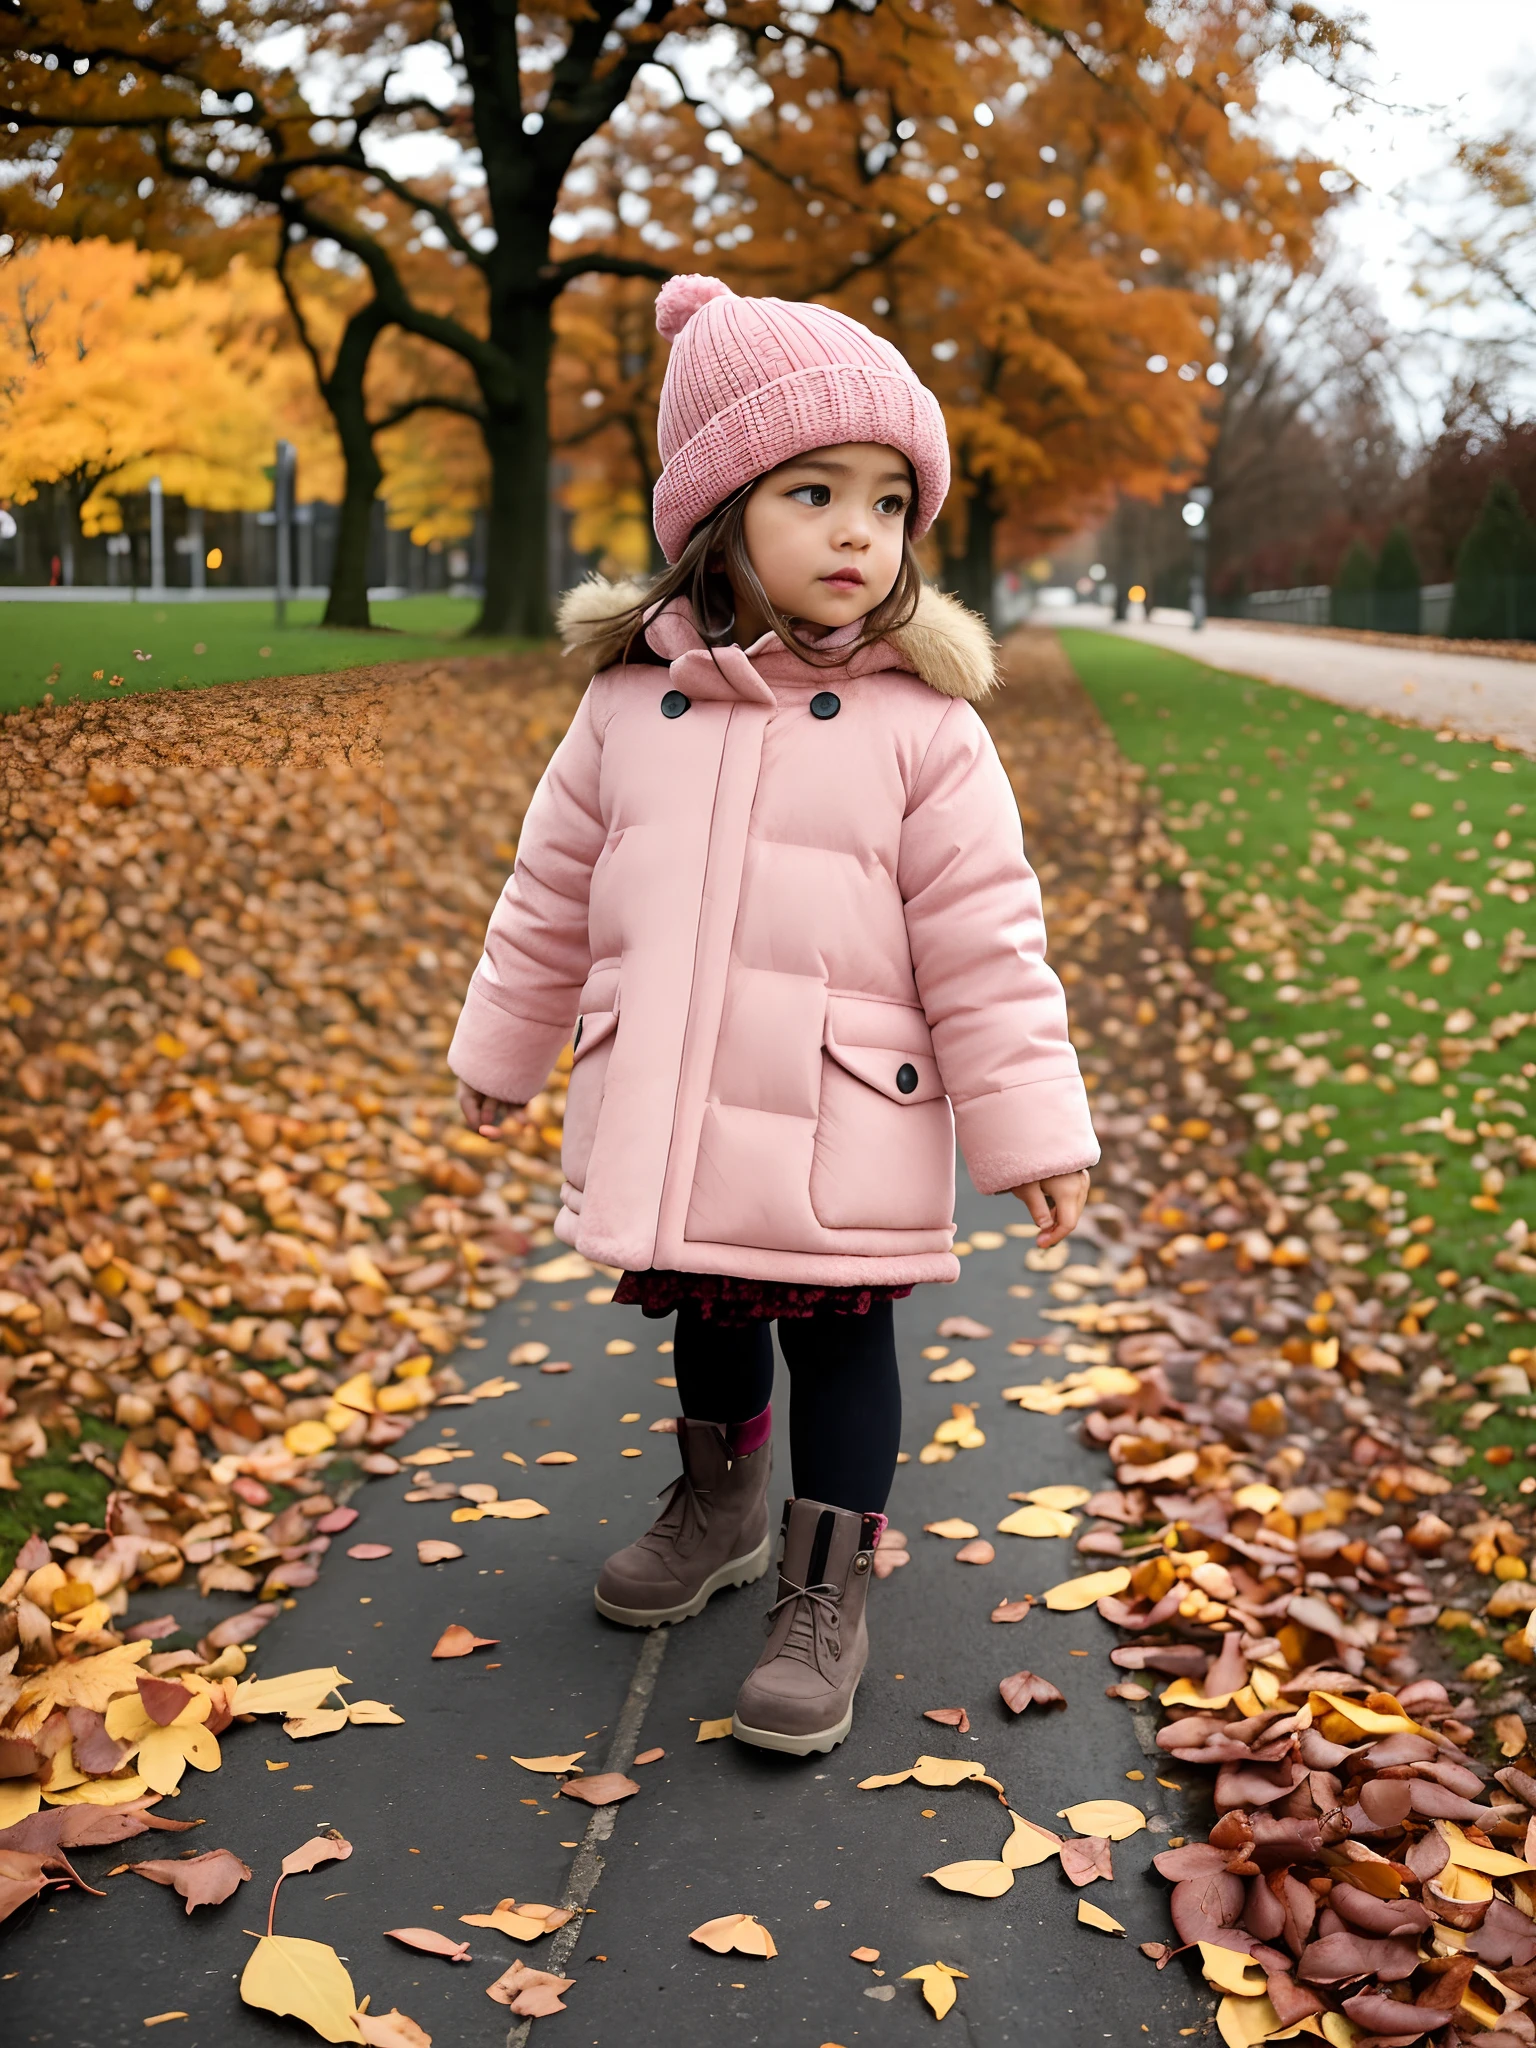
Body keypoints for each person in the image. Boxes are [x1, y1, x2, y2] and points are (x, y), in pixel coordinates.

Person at [450, 274, 1097, 1757]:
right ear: (716, 516)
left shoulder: (930, 731)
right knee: (711, 1314)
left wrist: (1033, 1131)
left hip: (840, 1109)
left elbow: (990, 945)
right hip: (675, 1097)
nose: (860, 533)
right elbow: (550, 890)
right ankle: (722, 1500)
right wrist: (502, 1044)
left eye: (888, 500)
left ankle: (825, 1587)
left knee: (844, 1339)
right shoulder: (627, 705)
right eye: (814, 492)